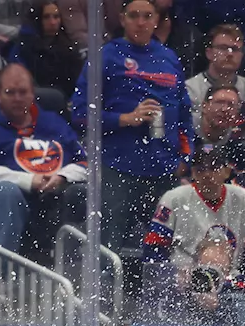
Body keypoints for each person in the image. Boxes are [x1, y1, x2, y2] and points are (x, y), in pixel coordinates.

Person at [72, 0, 194, 251]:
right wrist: (125, 119)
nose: (141, 22)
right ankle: (103, 290)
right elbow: (80, 113)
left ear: (157, 20)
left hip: (163, 168)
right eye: (134, 15)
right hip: (118, 168)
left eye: (147, 16)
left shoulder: (169, 58)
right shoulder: (105, 55)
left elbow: (184, 113)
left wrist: (186, 156)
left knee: (171, 250)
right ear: (122, 18)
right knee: (108, 247)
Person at [141, 144, 245, 325]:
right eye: (200, 169)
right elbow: (153, 249)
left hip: (229, 281)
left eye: (214, 168)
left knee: (237, 304)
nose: (207, 174)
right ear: (193, 173)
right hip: (182, 281)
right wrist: (172, 275)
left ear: (227, 171)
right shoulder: (174, 198)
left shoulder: (244, 198)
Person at [0, 63, 87, 256]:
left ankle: (81, 271)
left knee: (86, 191)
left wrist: (63, 177)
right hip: (15, 200)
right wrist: (28, 181)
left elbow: (86, 163)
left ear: (32, 94)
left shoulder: (55, 122)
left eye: (23, 92)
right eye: (10, 92)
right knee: (5, 191)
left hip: (58, 197)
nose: (17, 98)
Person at [185, 24, 245, 148]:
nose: (229, 54)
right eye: (223, 48)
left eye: (235, 49)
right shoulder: (189, 89)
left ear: (241, 55)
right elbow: (186, 134)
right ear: (209, 53)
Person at [8, 0, 84, 97]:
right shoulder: (23, 48)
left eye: (56, 17)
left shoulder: (69, 48)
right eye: (46, 17)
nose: (53, 22)